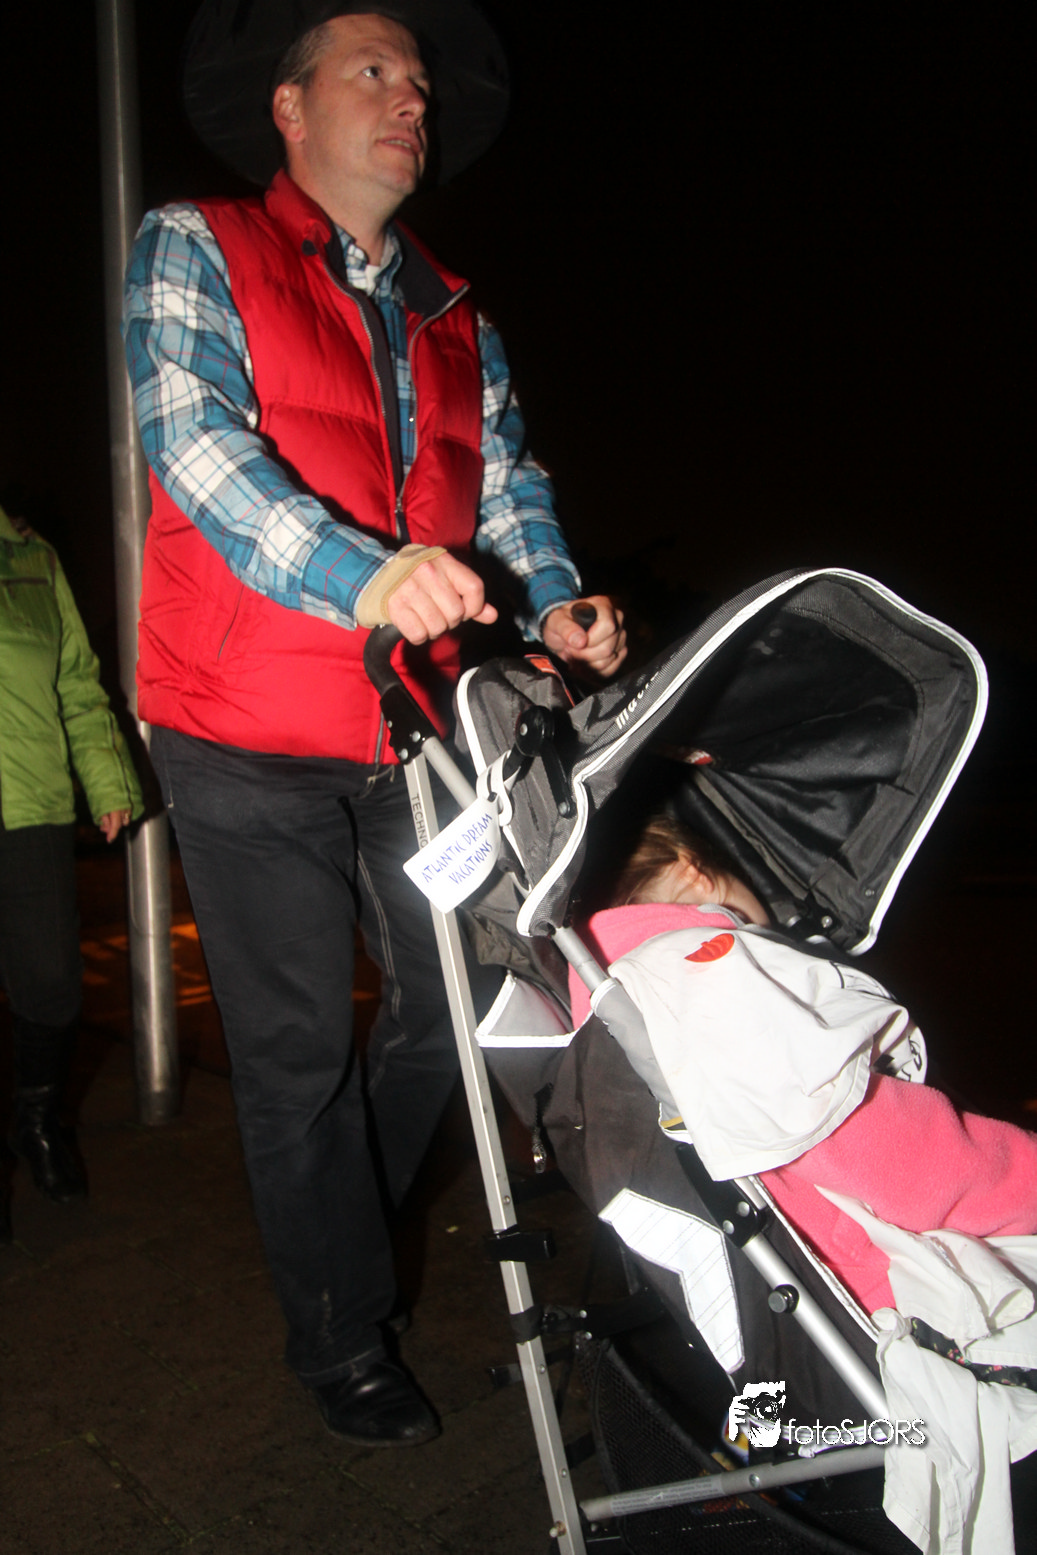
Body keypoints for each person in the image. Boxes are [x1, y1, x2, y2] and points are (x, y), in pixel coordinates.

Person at [122, 0, 627, 1447]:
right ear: (289, 108)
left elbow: (505, 484)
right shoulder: (195, 241)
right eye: (372, 71)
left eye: (418, 81)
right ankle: (342, 1333)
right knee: (295, 1051)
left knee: (446, 1011)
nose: (412, 99)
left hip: (411, 730)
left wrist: (554, 604)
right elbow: (194, 439)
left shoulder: (456, 310)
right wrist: (367, 574)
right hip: (238, 725)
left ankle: (338, 1220)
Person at [569, 812, 1037, 1316]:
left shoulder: (609, 1026)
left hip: (799, 1310)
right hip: (919, 1292)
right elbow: (880, 1149)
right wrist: (1025, 1176)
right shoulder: (704, 973)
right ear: (693, 870)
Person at [0, 501, 143, 1233]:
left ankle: (36, 1118)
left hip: (31, 803)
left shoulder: (32, 558)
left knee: (52, 982)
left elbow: (76, 684)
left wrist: (108, 780)